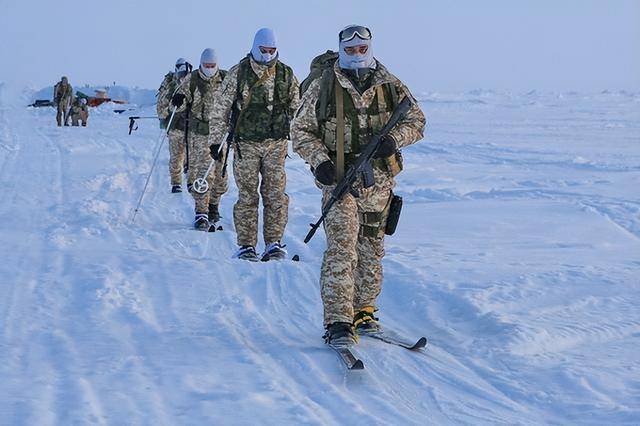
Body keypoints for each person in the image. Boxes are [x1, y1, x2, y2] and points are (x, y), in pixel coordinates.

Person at [291, 25, 426, 346]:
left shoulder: (390, 85)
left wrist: (394, 139)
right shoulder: (324, 85)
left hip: (379, 182)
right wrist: (319, 161)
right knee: (342, 248)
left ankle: (363, 311)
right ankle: (338, 321)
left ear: (370, 48)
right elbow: (300, 129)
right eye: (349, 50)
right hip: (339, 180)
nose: (356, 55)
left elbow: (417, 121)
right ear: (340, 50)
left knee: (372, 250)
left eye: (361, 49)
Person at [208, 28, 300, 260]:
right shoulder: (239, 73)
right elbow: (220, 109)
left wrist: (300, 140)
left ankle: (274, 243)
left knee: (276, 196)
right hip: (245, 145)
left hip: (276, 144)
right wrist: (215, 142)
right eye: (263, 50)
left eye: (272, 51)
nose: (268, 55)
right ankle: (247, 245)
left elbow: (298, 110)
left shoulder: (286, 75)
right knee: (248, 196)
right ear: (254, 47)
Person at [172, 48, 229, 230]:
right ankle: (201, 212)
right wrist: (178, 100)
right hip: (199, 135)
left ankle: (214, 206)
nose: (209, 69)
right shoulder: (193, 79)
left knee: (220, 175)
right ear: (201, 64)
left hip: (221, 134)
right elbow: (181, 101)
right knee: (202, 174)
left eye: (212, 66)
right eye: (206, 66)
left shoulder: (225, 79)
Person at [157, 58, 191, 193]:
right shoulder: (171, 86)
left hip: (191, 127)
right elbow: (162, 109)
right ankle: (176, 182)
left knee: (192, 157)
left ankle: (191, 181)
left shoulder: (194, 84)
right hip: (176, 127)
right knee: (176, 157)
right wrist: (173, 105)